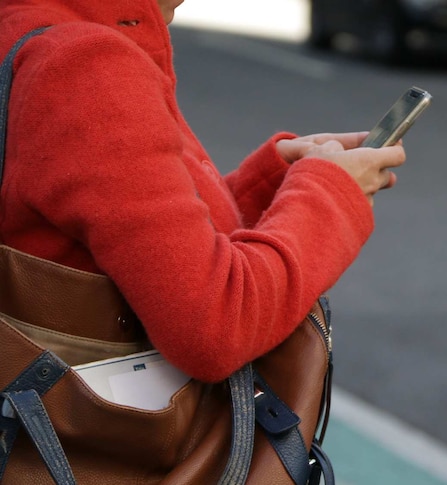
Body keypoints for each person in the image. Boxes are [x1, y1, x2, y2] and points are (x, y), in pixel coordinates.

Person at [0, 0, 406, 382]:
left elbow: (119, 233)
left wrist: (271, 186)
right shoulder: (87, 65)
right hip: (97, 445)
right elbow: (215, 325)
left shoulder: (27, 29)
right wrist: (329, 195)